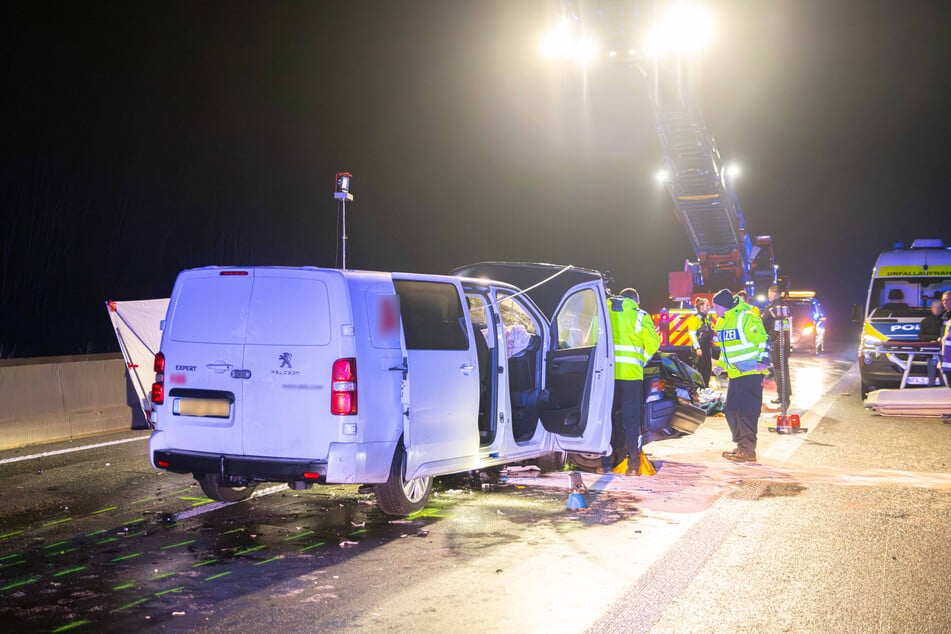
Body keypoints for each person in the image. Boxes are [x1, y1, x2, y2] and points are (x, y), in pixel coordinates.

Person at [599, 288, 661, 476]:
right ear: (635, 301)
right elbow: (654, 343)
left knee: (607, 419)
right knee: (631, 420)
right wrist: (641, 361)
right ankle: (633, 465)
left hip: (608, 375)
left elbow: (594, 337)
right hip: (632, 375)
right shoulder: (640, 315)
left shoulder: (605, 311)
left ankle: (604, 464)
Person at [711, 288, 770, 463]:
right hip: (735, 373)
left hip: (751, 372)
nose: (715, 310)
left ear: (724, 306)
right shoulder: (721, 322)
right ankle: (741, 445)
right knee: (730, 411)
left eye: (716, 306)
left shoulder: (746, 317)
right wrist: (721, 365)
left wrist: (764, 361)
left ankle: (747, 450)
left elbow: (764, 340)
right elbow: (726, 349)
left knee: (747, 412)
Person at [762, 285, 792, 405]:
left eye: (769, 293)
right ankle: (785, 395)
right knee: (784, 368)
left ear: (774, 293)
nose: (768, 296)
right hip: (785, 340)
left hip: (776, 340)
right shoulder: (786, 306)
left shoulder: (772, 308)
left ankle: (782, 396)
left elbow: (763, 322)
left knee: (778, 369)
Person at [686, 297, 715, 386]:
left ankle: (705, 386)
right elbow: (692, 335)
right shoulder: (694, 319)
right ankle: (698, 388)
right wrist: (698, 348)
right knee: (699, 369)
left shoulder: (707, 318)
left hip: (707, 348)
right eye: (707, 305)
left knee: (707, 369)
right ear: (701, 307)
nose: (709, 307)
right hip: (699, 347)